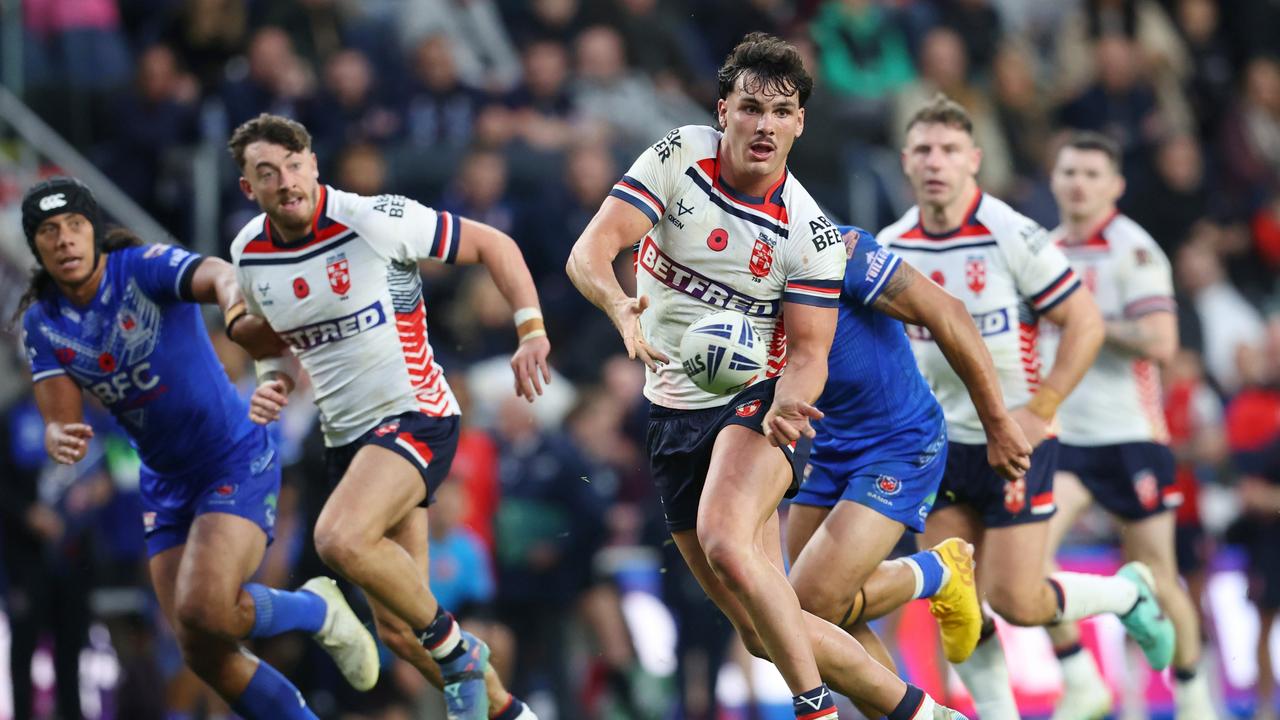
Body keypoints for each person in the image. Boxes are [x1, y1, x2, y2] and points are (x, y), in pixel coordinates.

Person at [567, 33, 968, 720]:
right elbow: (591, 251)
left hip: (754, 404)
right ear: (723, 110)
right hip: (671, 411)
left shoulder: (809, 234)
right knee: (762, 631)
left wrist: (789, 403)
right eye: (751, 108)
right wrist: (619, 309)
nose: (764, 125)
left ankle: (813, 708)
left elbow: (810, 354)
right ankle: (926, 714)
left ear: (800, 123)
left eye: (781, 112)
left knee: (728, 541)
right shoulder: (677, 156)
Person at [16, 176, 378, 720]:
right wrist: (57, 434)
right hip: (163, 483)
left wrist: (235, 307)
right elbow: (59, 413)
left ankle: (313, 608)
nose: (64, 239)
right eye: (49, 230)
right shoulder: (43, 321)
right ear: (35, 245)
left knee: (207, 608)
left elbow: (217, 274)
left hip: (230, 457)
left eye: (74, 225)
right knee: (199, 648)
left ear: (94, 231)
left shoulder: (139, 267)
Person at [228, 113, 548, 720]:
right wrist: (272, 382)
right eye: (268, 174)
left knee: (336, 536)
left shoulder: (369, 218)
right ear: (251, 189)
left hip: (416, 414)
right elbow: (275, 340)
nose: (286, 181)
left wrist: (530, 331)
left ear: (313, 164)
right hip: (349, 442)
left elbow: (494, 244)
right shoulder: (250, 253)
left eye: (295, 165)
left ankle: (462, 654)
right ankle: (512, 714)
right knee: (401, 633)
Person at [875, 95, 1176, 719]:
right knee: (955, 599)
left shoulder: (1011, 232)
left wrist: (1043, 408)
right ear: (906, 161)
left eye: (950, 150)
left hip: (1013, 442)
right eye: (925, 150)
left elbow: (1085, 323)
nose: (937, 162)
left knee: (1018, 600)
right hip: (936, 448)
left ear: (974, 161)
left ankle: (1124, 593)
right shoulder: (892, 244)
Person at [785, 222, 1032, 701]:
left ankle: (939, 571)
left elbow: (948, 312)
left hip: (900, 443)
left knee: (806, 605)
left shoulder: (838, 249)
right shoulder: (725, 279)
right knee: (820, 620)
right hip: (829, 445)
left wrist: (997, 423)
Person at [1040, 131, 1217, 720]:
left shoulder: (1134, 250)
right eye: (1069, 172)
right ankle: (1080, 677)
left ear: (1114, 186)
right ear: (1054, 180)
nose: (1078, 183)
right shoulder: (1040, 251)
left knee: (1161, 578)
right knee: (1024, 563)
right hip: (1063, 440)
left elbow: (1163, 343)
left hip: (1131, 438)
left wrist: (1089, 322)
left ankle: (1194, 695)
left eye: (1092, 174)